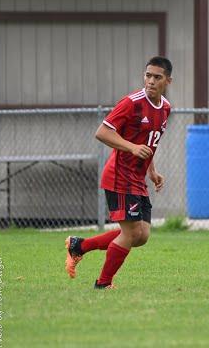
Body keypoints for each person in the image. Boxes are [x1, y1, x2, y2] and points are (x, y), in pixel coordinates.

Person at [65, 56, 173, 289]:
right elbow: (102, 133)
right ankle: (103, 284)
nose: (151, 81)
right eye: (148, 75)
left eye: (157, 77)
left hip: (137, 178)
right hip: (119, 176)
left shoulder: (165, 108)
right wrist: (132, 147)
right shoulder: (131, 103)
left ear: (168, 81)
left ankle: (79, 246)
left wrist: (152, 170)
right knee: (132, 232)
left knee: (141, 236)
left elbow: (149, 142)